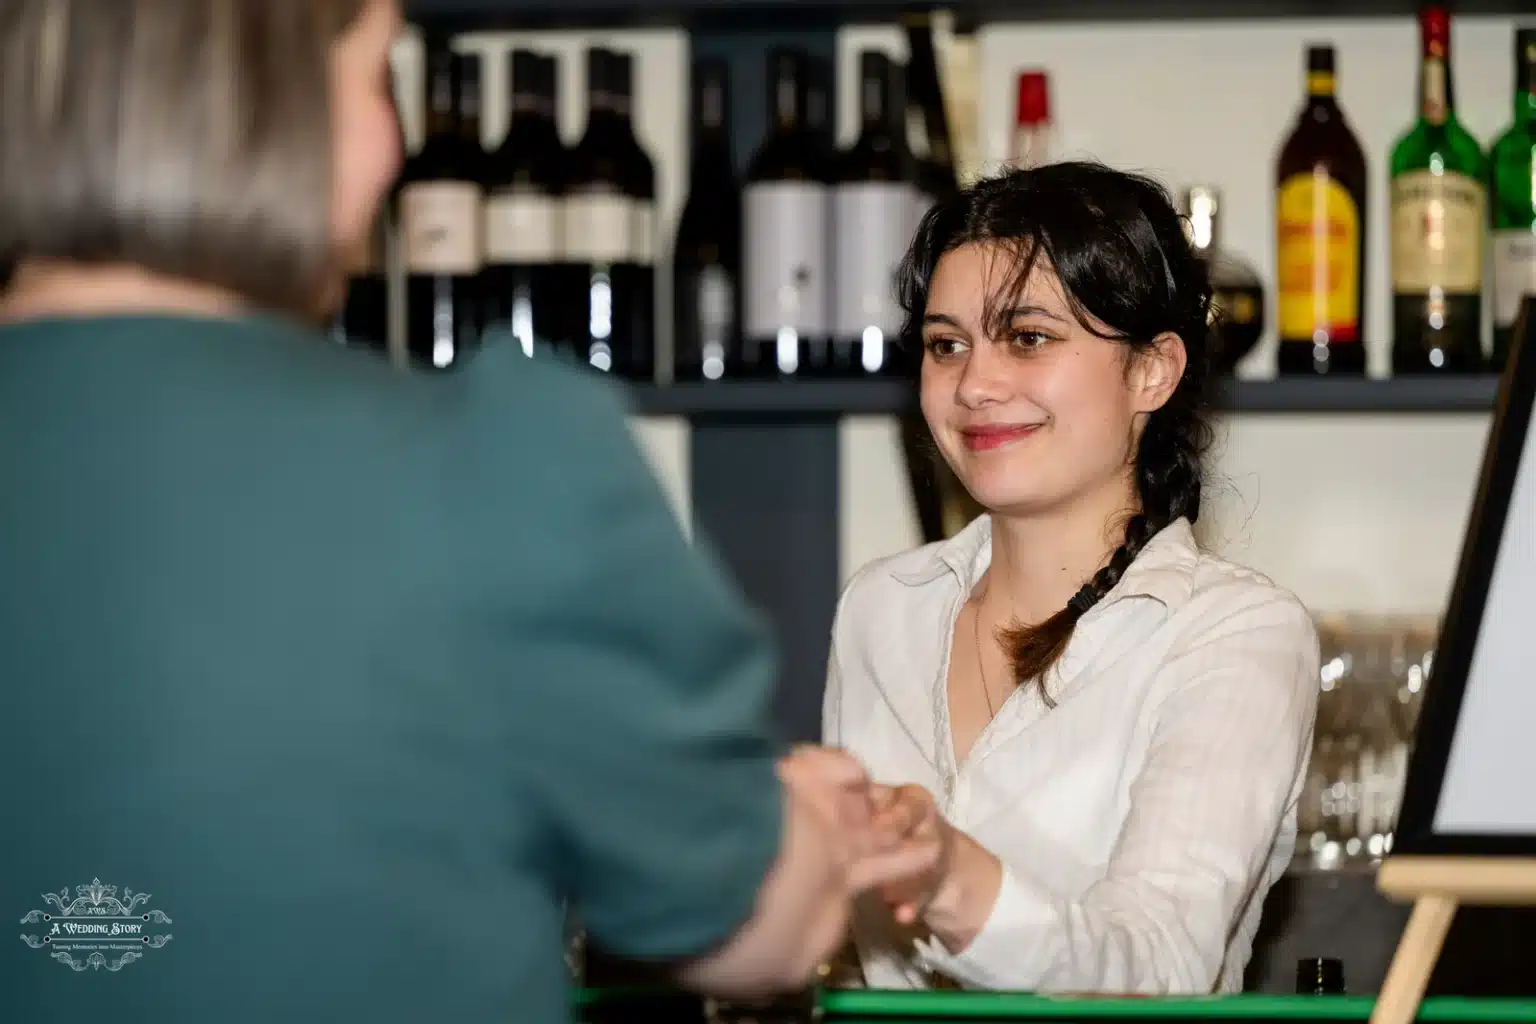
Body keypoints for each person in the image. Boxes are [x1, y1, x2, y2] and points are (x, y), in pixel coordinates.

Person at [0, 2, 930, 1021]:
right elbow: (751, 928)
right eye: (373, 84)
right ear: (274, 107)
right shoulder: (495, 456)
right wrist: (814, 834)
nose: (395, 144)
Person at [823, 162, 1321, 995]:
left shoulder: (1235, 634)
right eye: (947, 346)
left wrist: (948, 876)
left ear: (1152, 371)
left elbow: (1155, 965)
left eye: (1027, 337)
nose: (974, 385)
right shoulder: (880, 610)